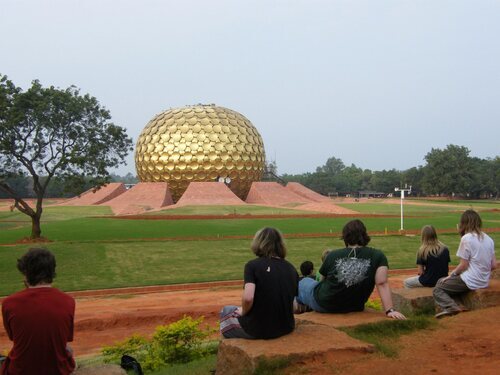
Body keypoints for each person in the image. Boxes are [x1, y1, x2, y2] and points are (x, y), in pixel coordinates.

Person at [296, 219, 406, 319]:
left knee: (303, 282)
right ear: (364, 235)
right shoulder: (378, 256)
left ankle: (299, 306)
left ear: (345, 237)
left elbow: (320, 280)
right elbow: (382, 283)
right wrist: (390, 310)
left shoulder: (333, 255)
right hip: (355, 306)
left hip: (325, 304)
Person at [1, 248, 76, 375]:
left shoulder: (9, 303)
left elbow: (14, 338)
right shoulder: (68, 301)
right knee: (68, 349)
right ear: (52, 272)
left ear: (26, 274)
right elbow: (65, 340)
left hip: (20, 371)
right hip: (58, 370)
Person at [220, 227, 299, 339]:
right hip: (286, 328)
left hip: (258, 330)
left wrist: (243, 311)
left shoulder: (252, 266)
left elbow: (248, 298)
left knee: (226, 311)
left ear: (259, 243)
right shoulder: (291, 268)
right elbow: (294, 306)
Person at [433, 210, 497, 318]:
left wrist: (451, 275)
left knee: (438, 288)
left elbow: (463, 265)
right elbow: (494, 265)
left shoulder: (466, 238)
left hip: (471, 280)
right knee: (443, 282)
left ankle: (451, 307)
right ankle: (459, 305)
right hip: (483, 281)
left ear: (464, 223)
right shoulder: (489, 239)